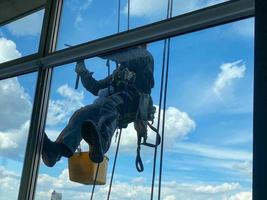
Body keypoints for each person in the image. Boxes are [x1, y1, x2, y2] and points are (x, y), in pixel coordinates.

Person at [42, 45, 155, 167]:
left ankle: (101, 144)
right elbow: (96, 88)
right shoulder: (118, 73)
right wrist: (83, 71)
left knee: (109, 105)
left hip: (134, 101)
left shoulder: (145, 57)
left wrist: (94, 48)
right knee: (82, 113)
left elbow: (127, 56)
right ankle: (57, 151)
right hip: (115, 102)